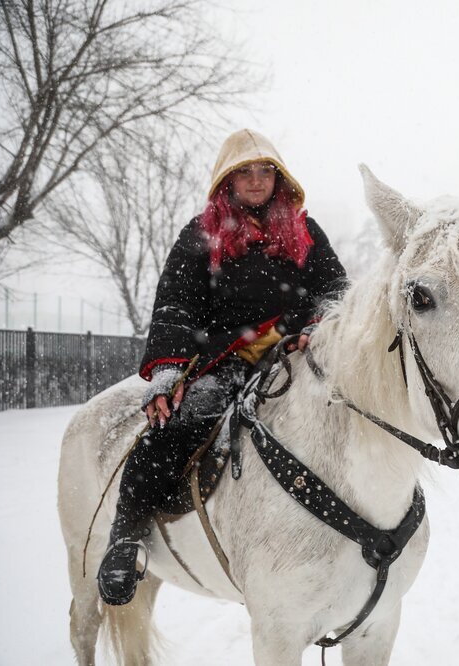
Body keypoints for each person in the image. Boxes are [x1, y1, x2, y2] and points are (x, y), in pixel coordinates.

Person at [97, 129, 347, 605]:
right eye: (245, 172)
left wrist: (322, 325)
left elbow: (336, 291)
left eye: (265, 171)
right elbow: (174, 307)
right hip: (226, 361)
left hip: (295, 354)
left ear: (280, 178)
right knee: (174, 429)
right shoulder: (200, 236)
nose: (256, 181)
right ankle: (125, 536)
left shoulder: (306, 233)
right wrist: (169, 375)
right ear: (227, 180)